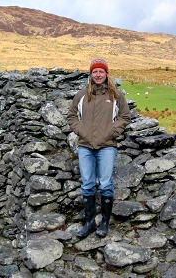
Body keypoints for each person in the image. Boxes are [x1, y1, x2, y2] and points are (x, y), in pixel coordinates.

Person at [67, 58, 131, 238]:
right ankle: (88, 223)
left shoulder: (115, 95)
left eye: (101, 71)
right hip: (85, 146)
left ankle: (104, 223)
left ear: (106, 74)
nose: (98, 74)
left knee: (105, 185)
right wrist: (82, 131)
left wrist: (112, 131)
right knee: (87, 185)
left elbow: (125, 117)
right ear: (91, 74)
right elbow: (71, 116)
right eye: (95, 71)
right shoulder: (81, 95)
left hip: (107, 146)